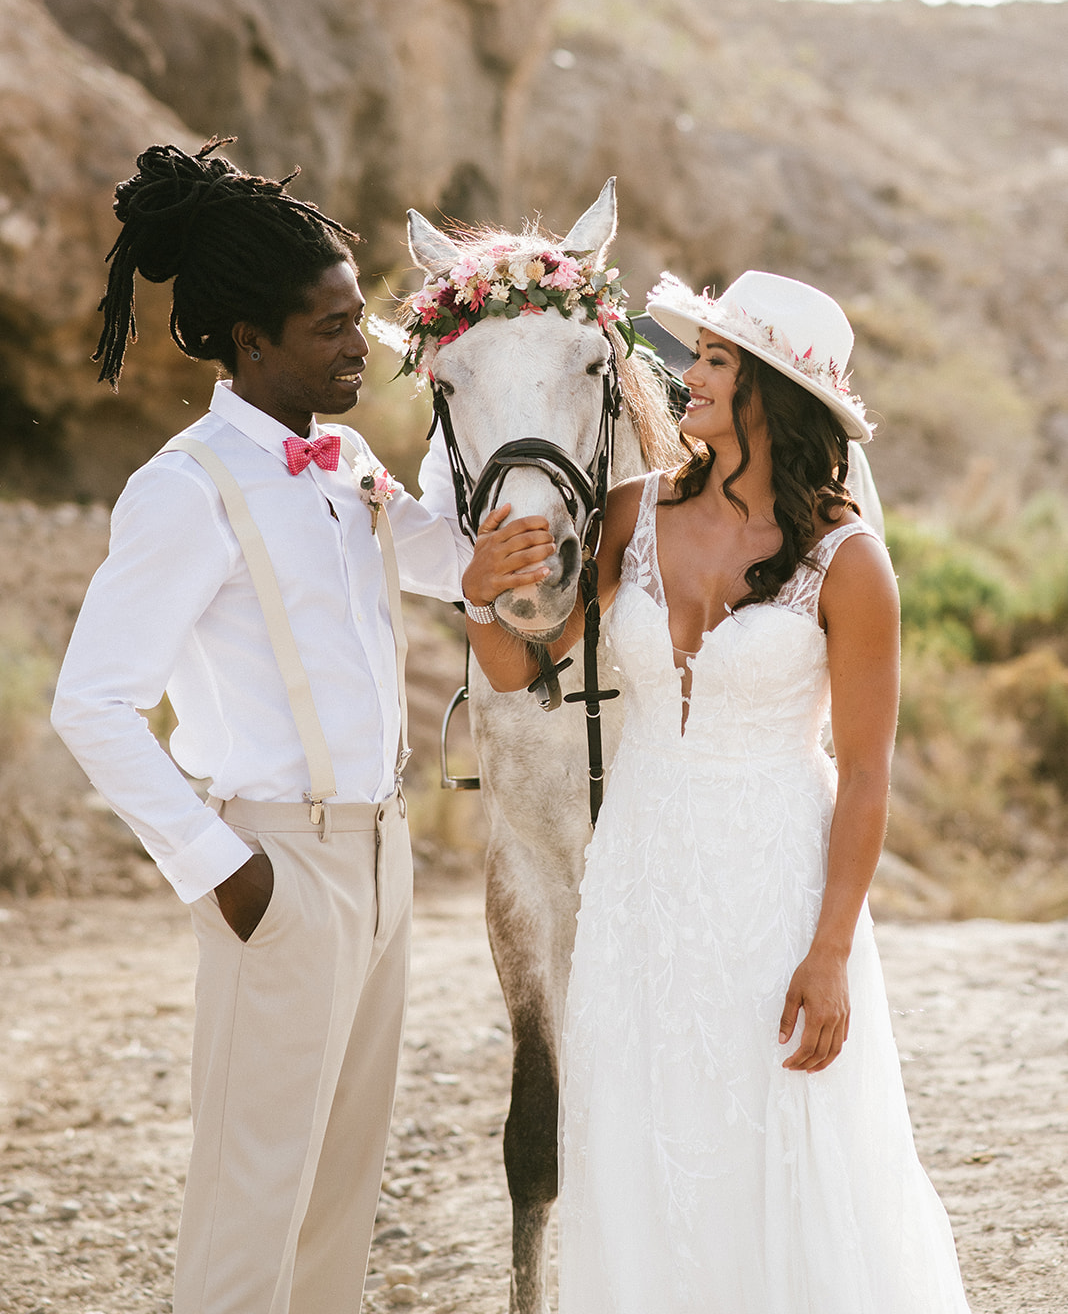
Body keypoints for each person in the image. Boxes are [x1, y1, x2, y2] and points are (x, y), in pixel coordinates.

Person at [461, 270, 972, 1312]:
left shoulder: (850, 562)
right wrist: (480, 601)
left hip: (773, 884)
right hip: (639, 884)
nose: (685, 374)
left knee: (783, 1147)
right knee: (645, 1142)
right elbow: (527, 673)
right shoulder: (629, 515)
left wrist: (829, 954)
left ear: (771, 393)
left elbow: (867, 773)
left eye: (716, 360)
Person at [51, 139, 468, 1314]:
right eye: (333, 326)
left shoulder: (345, 464)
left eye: (360, 319)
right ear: (251, 342)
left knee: (341, 1199)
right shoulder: (184, 490)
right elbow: (92, 702)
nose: (359, 345)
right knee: (252, 1207)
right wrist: (223, 872)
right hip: (273, 867)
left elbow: (449, 559)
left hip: (384, 861)